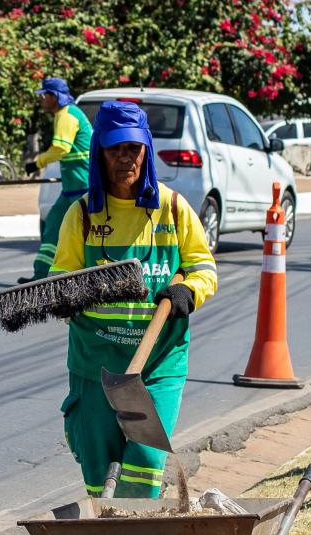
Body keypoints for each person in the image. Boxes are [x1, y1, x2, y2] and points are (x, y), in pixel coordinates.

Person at [49, 99, 217, 497]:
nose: (126, 158)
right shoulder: (82, 214)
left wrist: (189, 290)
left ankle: (138, 533)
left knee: (144, 463)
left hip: (158, 363)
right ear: (100, 153)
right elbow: (59, 277)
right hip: (95, 363)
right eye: (115, 149)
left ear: (146, 150)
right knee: (97, 469)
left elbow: (204, 268)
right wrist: (74, 293)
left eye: (133, 148)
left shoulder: (173, 209)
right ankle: (106, 532)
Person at [28, 78, 92, 281]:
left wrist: (37, 163)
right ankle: (41, 275)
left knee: (82, 234)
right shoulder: (62, 114)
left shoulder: (68, 115)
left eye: (44, 95)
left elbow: (61, 148)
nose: (41, 99)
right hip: (72, 188)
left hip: (84, 187)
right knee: (53, 227)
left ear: (54, 96)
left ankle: (84, 277)